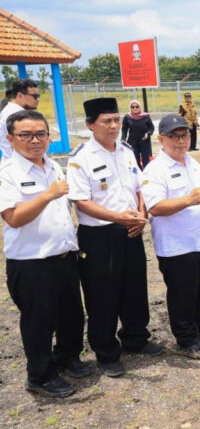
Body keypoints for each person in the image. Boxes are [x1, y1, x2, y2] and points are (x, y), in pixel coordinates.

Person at [67, 97, 163, 378]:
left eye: (115, 119)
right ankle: (106, 352)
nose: (113, 126)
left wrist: (141, 215)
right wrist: (119, 218)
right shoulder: (81, 158)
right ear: (90, 125)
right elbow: (81, 202)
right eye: (106, 121)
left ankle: (135, 337)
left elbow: (139, 186)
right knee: (102, 295)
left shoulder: (127, 150)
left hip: (131, 228)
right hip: (99, 236)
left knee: (134, 287)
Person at [0, 110, 86, 397]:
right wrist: (47, 194)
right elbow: (13, 218)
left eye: (41, 134)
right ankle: (40, 375)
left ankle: (67, 358)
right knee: (39, 322)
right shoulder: (7, 174)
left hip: (63, 257)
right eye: (26, 135)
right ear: (11, 139)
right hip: (31, 263)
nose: (35, 140)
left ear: (49, 136)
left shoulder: (53, 166)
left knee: (71, 315)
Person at [141, 114, 200, 359]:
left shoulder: (192, 163)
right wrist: (188, 200)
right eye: (174, 136)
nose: (180, 141)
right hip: (177, 246)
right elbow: (155, 206)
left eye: (184, 135)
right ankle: (186, 339)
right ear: (161, 139)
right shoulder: (156, 169)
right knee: (183, 294)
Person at [0, 79, 40, 161]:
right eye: (35, 96)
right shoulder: (14, 115)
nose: (38, 99)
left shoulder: (12, 111)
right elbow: (18, 145)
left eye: (38, 96)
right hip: (19, 166)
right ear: (20, 96)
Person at [121, 99, 154, 168]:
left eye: (137, 106)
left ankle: (146, 175)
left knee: (145, 160)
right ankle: (138, 175)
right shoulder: (127, 117)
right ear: (130, 108)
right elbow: (124, 129)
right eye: (133, 107)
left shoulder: (146, 116)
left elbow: (151, 128)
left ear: (140, 107)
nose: (135, 108)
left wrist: (147, 134)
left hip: (144, 141)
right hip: (132, 142)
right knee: (135, 160)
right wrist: (123, 139)